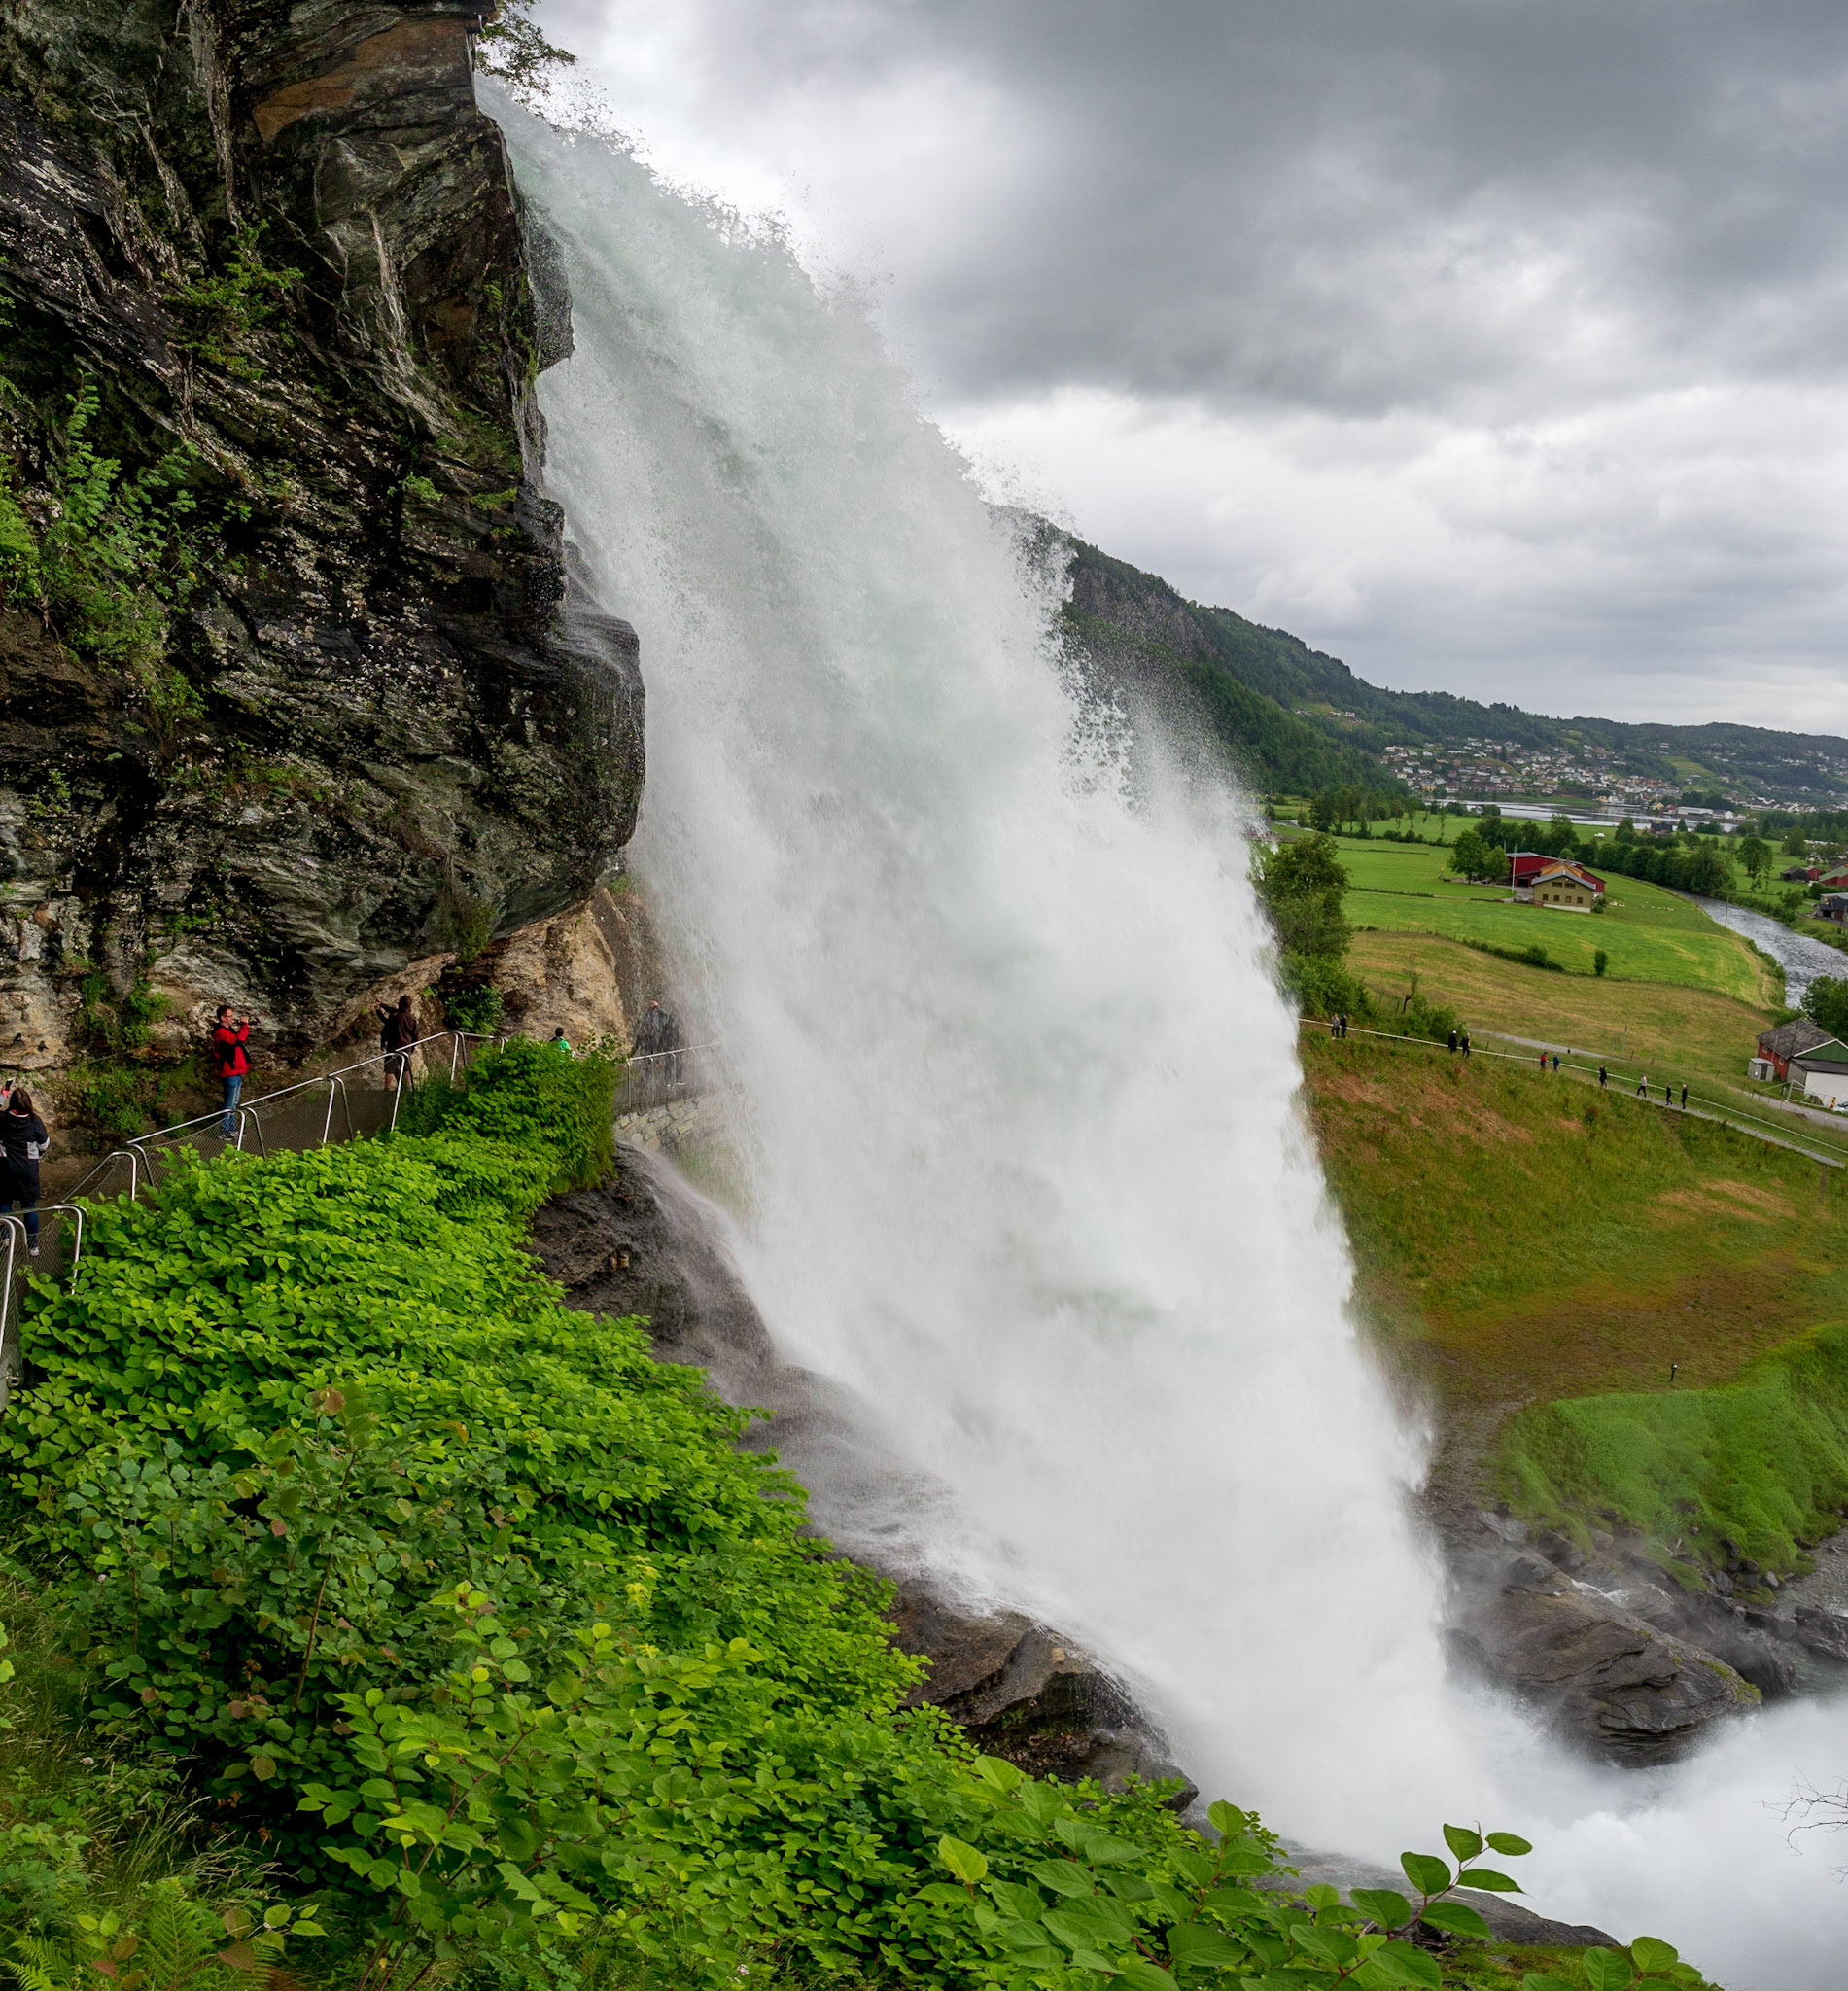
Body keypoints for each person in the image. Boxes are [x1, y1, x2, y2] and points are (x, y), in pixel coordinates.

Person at [0, 1085, 48, 1257]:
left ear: (11, 1105)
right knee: (29, 1206)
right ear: (28, 1104)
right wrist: (37, 1157)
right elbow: (44, 1145)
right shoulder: (35, 1122)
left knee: (4, 1202)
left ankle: (5, 1237)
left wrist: (4, 1092)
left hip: (5, 1168)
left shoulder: (3, 1119)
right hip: (28, 1171)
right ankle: (33, 1246)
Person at [212, 1004, 251, 1135]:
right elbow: (237, 1039)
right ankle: (224, 1130)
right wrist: (244, 1026)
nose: (232, 1018)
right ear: (222, 1017)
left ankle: (232, 1128)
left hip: (235, 1071)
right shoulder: (220, 1032)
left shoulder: (228, 1030)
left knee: (234, 1102)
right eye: (230, 1016)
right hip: (229, 1072)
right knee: (229, 1103)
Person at [376, 994, 419, 1090]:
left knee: (389, 1069)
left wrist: (378, 1011)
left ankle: (387, 1090)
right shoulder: (412, 1018)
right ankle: (408, 1089)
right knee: (406, 1068)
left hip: (393, 1046)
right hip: (406, 1047)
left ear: (400, 1004)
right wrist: (412, 1047)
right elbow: (415, 1035)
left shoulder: (395, 1016)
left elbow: (386, 1022)